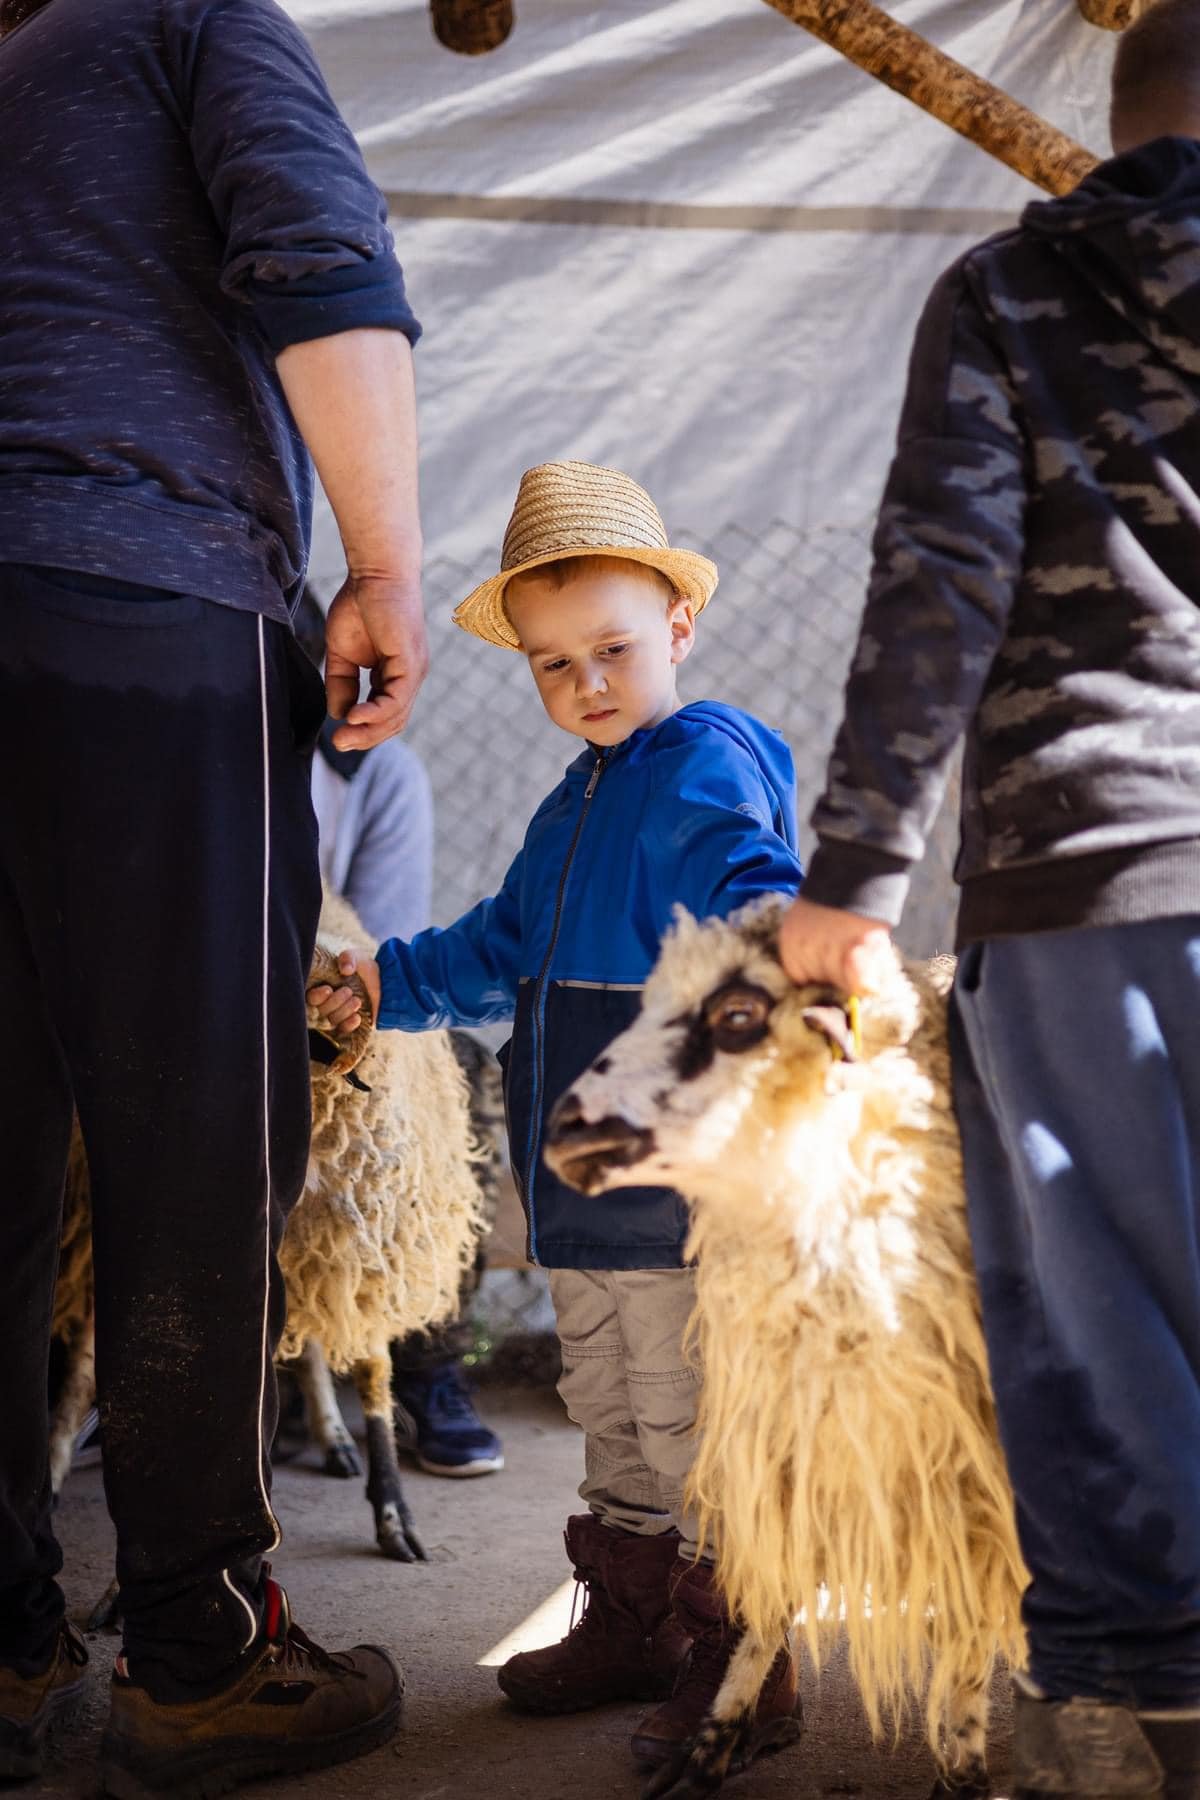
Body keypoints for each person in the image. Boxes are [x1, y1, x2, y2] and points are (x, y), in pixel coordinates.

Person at [0, 0, 428, 1791]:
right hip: (142, 601)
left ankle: (12, 1656)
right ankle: (199, 1647)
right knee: (194, 1148)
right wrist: (390, 563)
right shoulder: (186, 14)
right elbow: (322, 262)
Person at [775, 3, 1200, 1793]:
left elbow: (940, 580)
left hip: (1086, 863)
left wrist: (853, 878)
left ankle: (1139, 1693)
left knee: (1090, 1287)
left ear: (1116, 124)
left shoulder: (1012, 293)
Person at [309, 458, 804, 1773]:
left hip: (681, 1192)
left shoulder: (703, 766)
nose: (583, 682)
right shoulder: (569, 804)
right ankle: (635, 1620)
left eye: (612, 650)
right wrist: (382, 983)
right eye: (550, 663)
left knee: (691, 1412)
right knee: (612, 1408)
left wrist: (774, 935)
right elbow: (495, 949)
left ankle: (740, 1654)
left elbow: (758, 885)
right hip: (581, 1198)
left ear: (678, 627)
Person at [293, 587, 504, 1477]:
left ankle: (427, 1356)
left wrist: (326, 995)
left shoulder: (374, 773)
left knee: (464, 1073)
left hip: (328, 994)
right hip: (204, 998)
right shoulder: (183, 766)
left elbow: (378, 940)